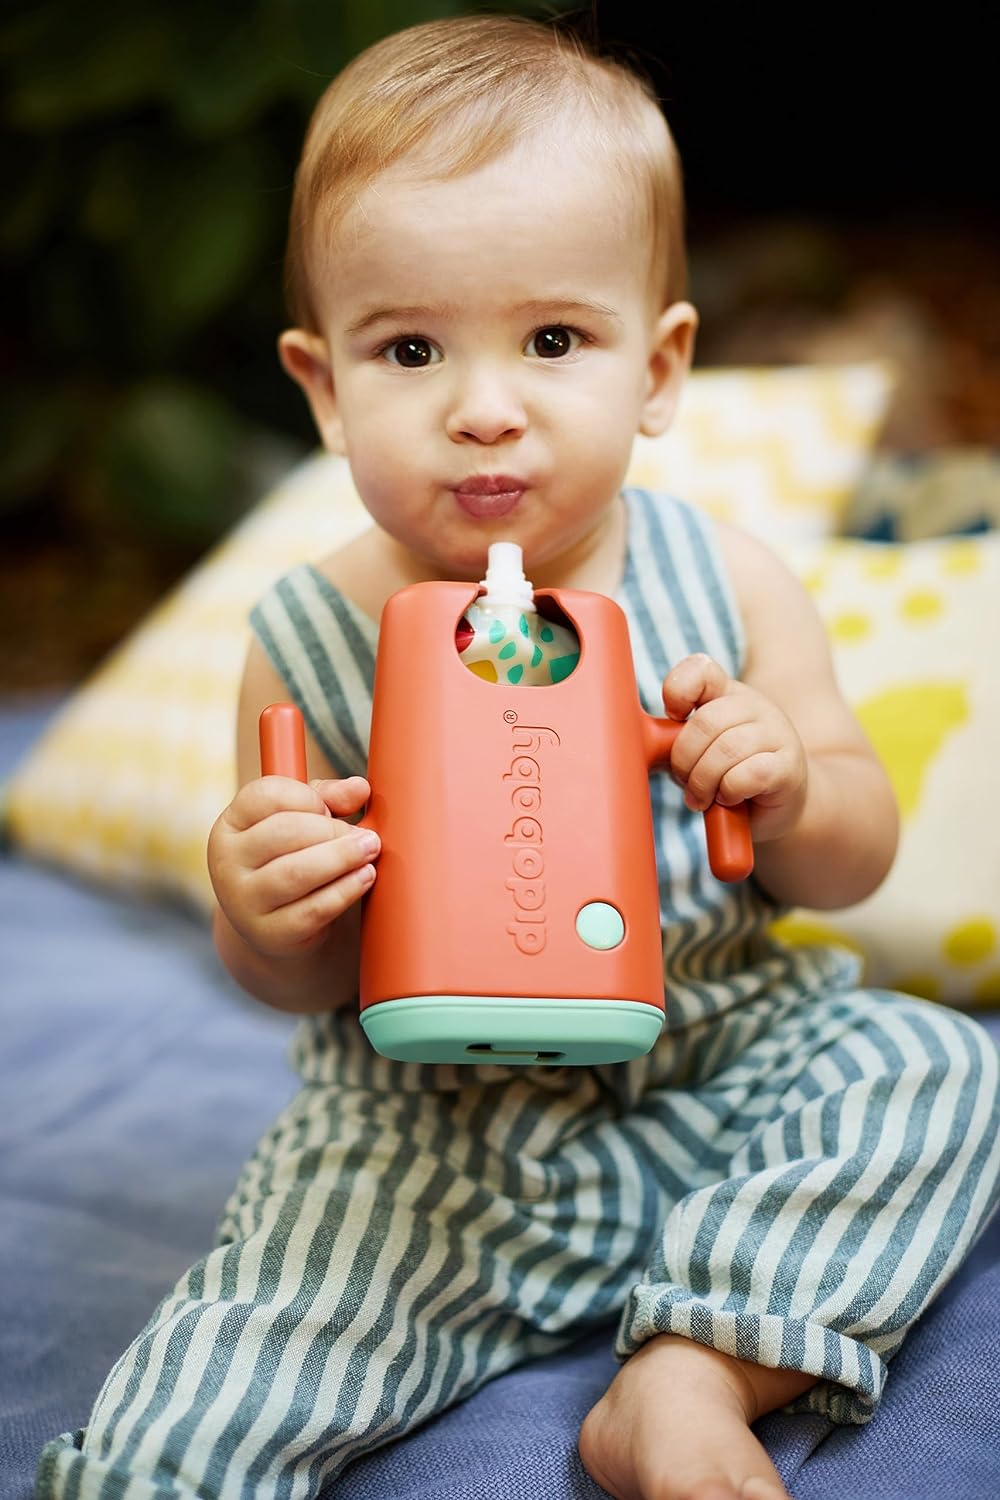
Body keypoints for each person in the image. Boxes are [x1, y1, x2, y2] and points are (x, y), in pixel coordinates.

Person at [36, 13, 1000, 1500]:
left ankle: (695, 1370)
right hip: (438, 1132)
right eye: (410, 348)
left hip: (722, 1061)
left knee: (937, 1071)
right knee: (239, 1351)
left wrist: (791, 784)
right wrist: (265, 900)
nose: (485, 405)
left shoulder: (731, 583)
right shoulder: (305, 637)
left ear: (659, 365)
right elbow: (289, 975)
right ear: (323, 386)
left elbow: (853, 849)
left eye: (554, 340)